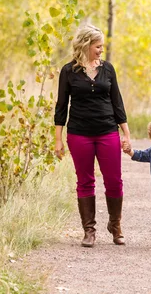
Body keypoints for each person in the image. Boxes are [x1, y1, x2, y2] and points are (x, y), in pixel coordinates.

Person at [54, 25, 130, 248]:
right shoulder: (68, 71)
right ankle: (89, 231)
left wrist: (126, 133)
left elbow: (117, 102)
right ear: (86, 45)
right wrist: (58, 139)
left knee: (114, 180)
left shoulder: (108, 69)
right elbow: (61, 107)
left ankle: (115, 226)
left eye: (102, 46)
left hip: (107, 131)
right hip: (79, 133)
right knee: (85, 181)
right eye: (98, 46)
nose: (101, 50)